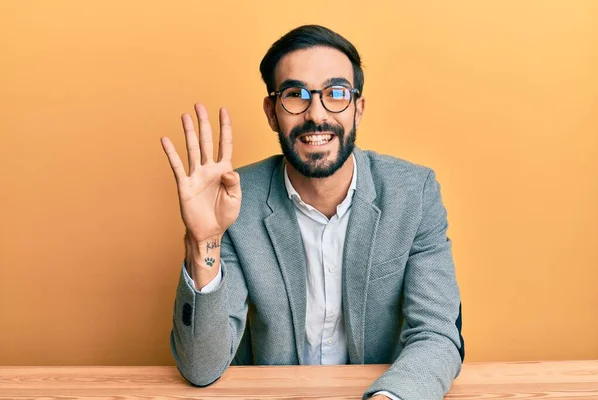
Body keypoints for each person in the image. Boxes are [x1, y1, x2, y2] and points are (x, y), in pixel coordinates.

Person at [160, 24, 465, 400]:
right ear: (272, 113)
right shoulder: (236, 200)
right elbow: (200, 368)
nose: (316, 114)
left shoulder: (412, 194)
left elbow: (437, 334)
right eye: (295, 95)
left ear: (358, 108)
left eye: (336, 93)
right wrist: (203, 241)